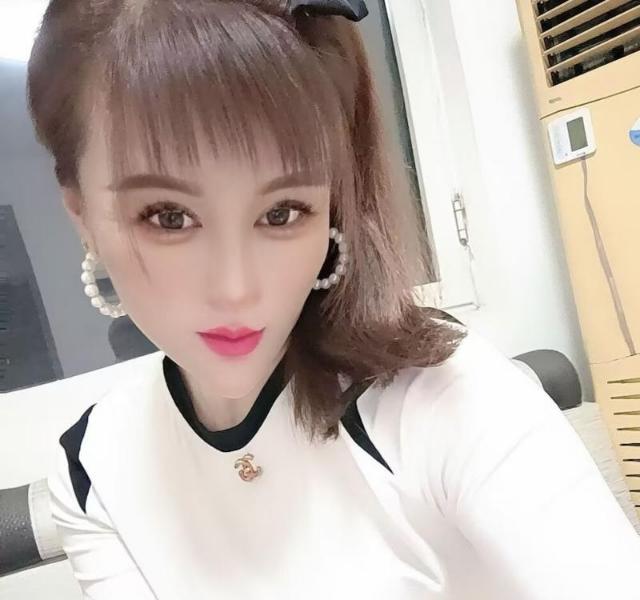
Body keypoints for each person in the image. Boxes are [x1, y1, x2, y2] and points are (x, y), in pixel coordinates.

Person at [26, 0, 640, 598]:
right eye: (168, 217)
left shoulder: (443, 396)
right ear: (81, 214)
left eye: (282, 212)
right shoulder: (93, 470)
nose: (236, 288)